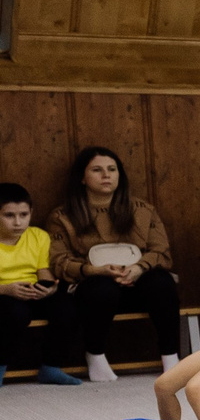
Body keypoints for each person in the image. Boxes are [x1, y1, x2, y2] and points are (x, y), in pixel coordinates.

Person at [46, 147, 181, 383]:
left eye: (111, 169)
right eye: (97, 170)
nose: (106, 175)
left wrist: (139, 268)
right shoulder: (62, 216)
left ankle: (171, 358)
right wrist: (94, 270)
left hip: (137, 282)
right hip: (92, 287)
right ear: (82, 178)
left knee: (162, 282)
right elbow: (58, 261)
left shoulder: (143, 210)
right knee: (102, 288)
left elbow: (161, 252)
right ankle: (95, 355)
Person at [0, 183, 80, 386]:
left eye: (23, 215)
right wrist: (6, 289)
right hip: (4, 293)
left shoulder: (38, 236)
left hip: (29, 290)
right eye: (9, 216)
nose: (18, 222)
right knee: (16, 313)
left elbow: (43, 270)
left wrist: (49, 288)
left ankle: (51, 367)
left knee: (65, 305)